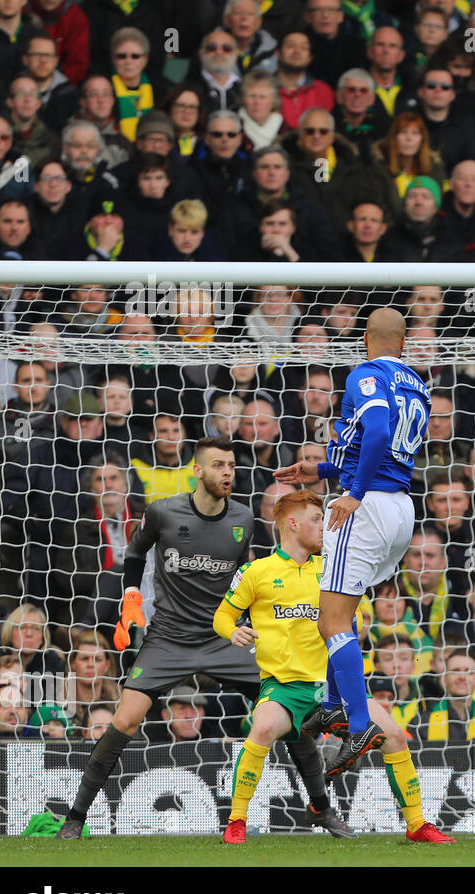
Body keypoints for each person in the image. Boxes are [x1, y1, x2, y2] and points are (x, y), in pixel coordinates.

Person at [56, 437, 330, 839]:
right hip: (169, 637)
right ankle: (75, 818)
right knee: (126, 718)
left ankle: (321, 809)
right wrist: (131, 597)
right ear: (197, 471)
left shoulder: (243, 519)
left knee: (293, 715)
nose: (227, 473)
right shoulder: (163, 512)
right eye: (218, 465)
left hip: (226, 638)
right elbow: (134, 554)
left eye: (232, 466)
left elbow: (246, 577)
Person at [272, 309, 434, 777]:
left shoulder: (366, 373)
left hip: (370, 505)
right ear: (403, 342)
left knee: (331, 619)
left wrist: (352, 494)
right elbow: (380, 448)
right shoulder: (418, 385)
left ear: (366, 338)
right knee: (342, 612)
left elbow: (379, 432)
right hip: (401, 506)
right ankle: (338, 705)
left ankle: (358, 722)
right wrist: (323, 471)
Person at [213, 490, 355, 843]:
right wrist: (234, 631)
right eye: (317, 519)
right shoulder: (255, 572)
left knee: (392, 735)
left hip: (332, 687)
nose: (324, 527)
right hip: (285, 687)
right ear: (292, 524)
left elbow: (356, 618)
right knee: (261, 729)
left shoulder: (332, 569)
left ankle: (417, 823)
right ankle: (237, 821)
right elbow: (222, 616)